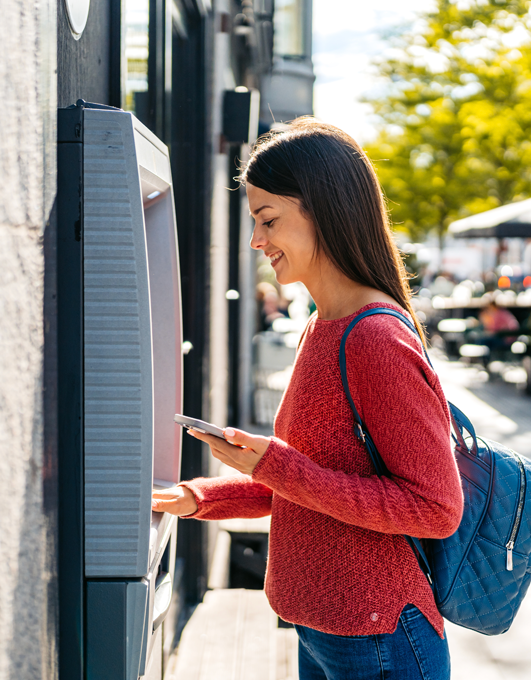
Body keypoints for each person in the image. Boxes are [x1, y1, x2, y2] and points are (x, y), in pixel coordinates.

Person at [152, 119, 463, 680]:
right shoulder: (323, 327)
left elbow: (436, 508)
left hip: (379, 639)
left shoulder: (375, 339)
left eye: (268, 220)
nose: (257, 241)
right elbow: (305, 486)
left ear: (326, 209)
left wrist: (276, 463)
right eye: (254, 222)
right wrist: (197, 499)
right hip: (324, 629)